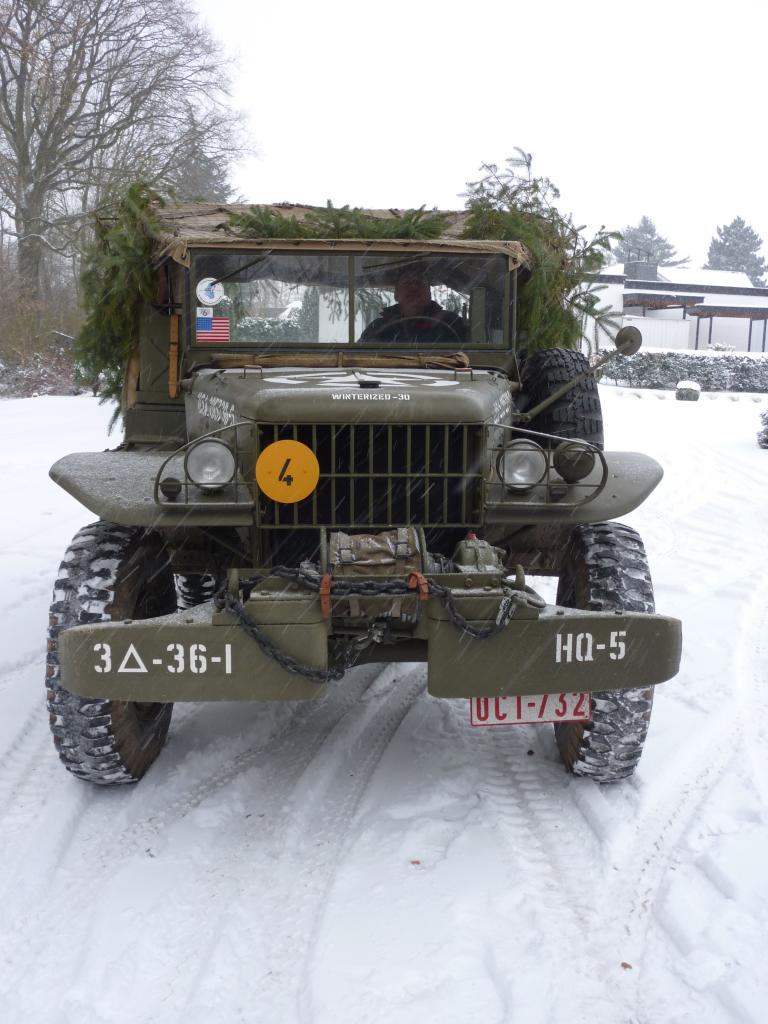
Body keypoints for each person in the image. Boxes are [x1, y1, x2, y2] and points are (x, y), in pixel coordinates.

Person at [359, 267, 468, 344]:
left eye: (419, 283)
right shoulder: (378, 327)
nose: (413, 288)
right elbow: (361, 357)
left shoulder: (452, 323)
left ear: (429, 293)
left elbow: (469, 356)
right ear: (396, 294)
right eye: (406, 283)